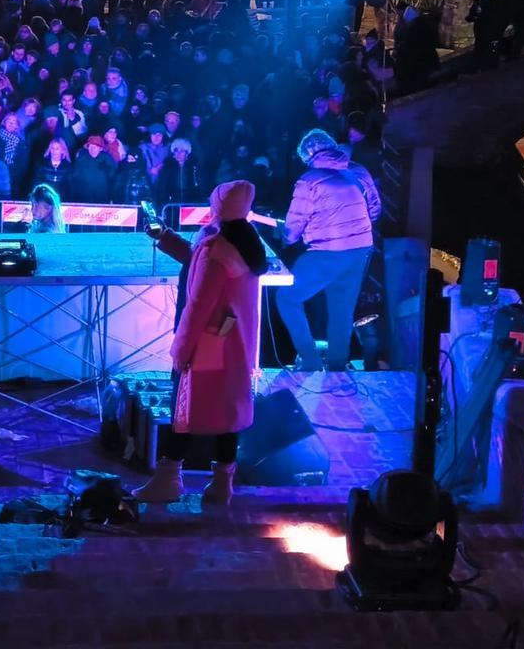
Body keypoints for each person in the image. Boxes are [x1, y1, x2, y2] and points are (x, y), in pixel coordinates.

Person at [133, 180, 267, 505]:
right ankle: (222, 484)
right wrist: (164, 237)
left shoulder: (216, 247)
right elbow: (196, 262)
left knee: (183, 409)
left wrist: (181, 349)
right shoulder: (245, 241)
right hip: (233, 342)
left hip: (206, 343)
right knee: (229, 411)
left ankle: (169, 479)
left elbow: (198, 304)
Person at [276, 130, 381, 371]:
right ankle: (336, 367)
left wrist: (286, 234)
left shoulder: (309, 180)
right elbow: (374, 209)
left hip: (327, 250)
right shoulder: (358, 171)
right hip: (360, 249)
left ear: (308, 157)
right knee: (341, 308)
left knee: (287, 297)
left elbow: (293, 230)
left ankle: (311, 362)